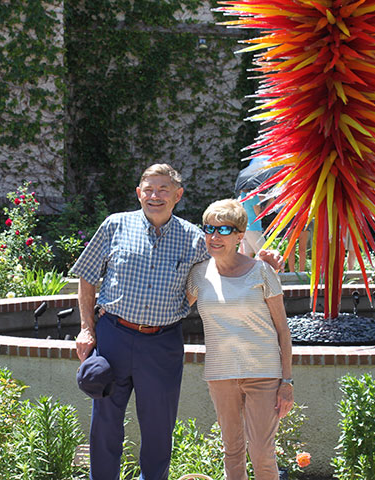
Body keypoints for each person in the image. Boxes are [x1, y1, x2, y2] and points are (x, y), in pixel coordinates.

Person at [70, 164, 282, 480]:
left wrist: (261, 261)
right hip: (113, 335)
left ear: (178, 195)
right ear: (139, 193)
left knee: (159, 427)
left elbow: (227, 265)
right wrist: (87, 329)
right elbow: (86, 277)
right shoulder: (115, 225)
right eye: (149, 189)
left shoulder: (195, 239)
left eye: (163, 190)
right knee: (105, 423)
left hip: (162, 343)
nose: (155, 196)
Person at [187, 199, 294, 480]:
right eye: (209, 228)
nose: (214, 236)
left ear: (239, 236)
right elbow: (172, 310)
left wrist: (287, 382)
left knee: (261, 452)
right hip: (220, 375)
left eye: (224, 230)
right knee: (232, 451)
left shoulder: (262, 271)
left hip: (263, 374)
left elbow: (283, 331)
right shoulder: (198, 274)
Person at [238, 189, 266, 257]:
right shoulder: (254, 197)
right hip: (254, 228)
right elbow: (258, 215)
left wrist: (267, 196)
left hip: (245, 229)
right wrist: (265, 208)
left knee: (247, 256)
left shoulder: (241, 197)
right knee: (264, 253)